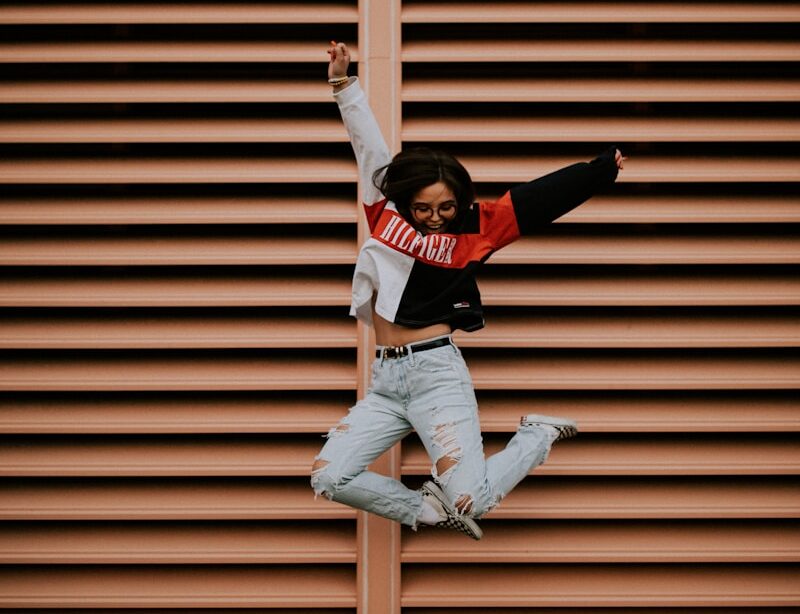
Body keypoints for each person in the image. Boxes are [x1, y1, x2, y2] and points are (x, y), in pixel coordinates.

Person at [311, 41, 625, 540]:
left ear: (460, 201)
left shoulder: (479, 228)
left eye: (446, 208)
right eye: (423, 208)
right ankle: (427, 511)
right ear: (405, 201)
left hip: (436, 375)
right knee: (329, 477)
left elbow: (538, 199)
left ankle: (536, 436)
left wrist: (599, 170)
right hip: (386, 380)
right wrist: (343, 84)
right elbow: (367, 145)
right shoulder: (384, 211)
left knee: (472, 500)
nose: (435, 218)